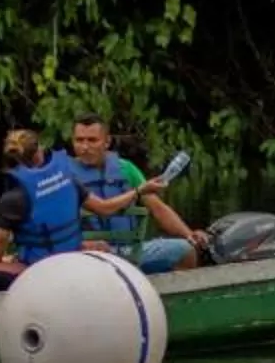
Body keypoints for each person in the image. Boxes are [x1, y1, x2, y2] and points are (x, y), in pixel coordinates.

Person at [60, 115, 210, 272]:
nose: (85, 147)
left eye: (92, 140)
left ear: (107, 142)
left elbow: (157, 208)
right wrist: (80, 245)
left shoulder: (125, 169)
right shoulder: (62, 176)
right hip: (85, 255)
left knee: (185, 250)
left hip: (128, 252)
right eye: (79, 140)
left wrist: (189, 234)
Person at [0, 129, 87, 293]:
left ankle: (2, 308)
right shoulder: (65, 181)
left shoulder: (12, 199)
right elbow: (100, 207)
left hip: (41, 269)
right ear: (38, 154)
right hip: (69, 257)